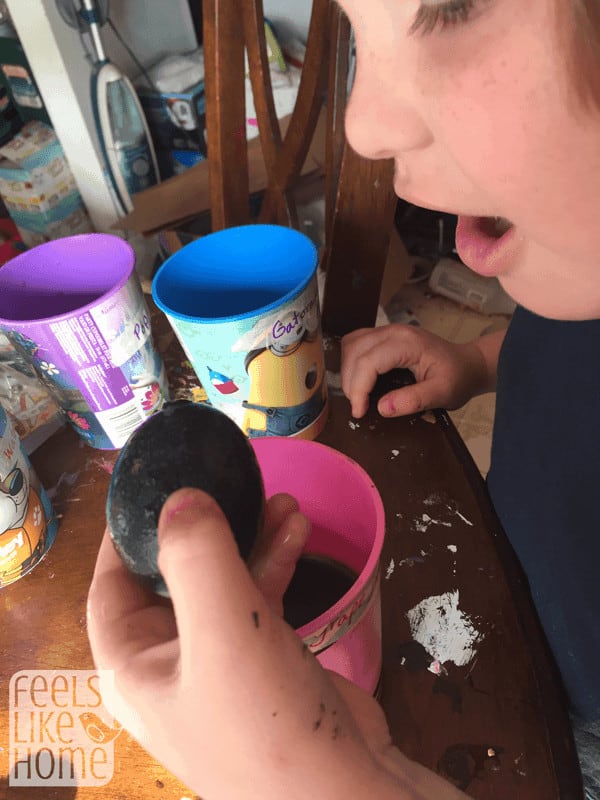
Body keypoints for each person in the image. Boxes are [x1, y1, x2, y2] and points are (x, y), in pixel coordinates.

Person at [87, 1, 600, 798]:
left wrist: (324, 784)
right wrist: (477, 358)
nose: (362, 127)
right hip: (524, 598)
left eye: (452, 7)